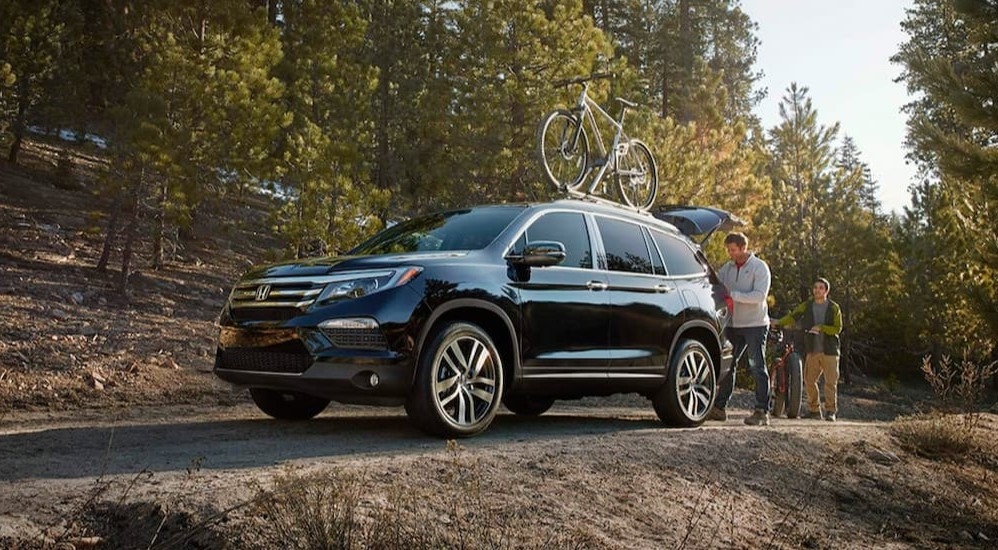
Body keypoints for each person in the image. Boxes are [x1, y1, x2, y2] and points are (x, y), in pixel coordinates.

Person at [708, 232, 773, 426]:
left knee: (756, 365)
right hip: (733, 324)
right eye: (728, 250)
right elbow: (716, 287)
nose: (730, 253)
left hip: (755, 324)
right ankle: (719, 408)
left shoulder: (759, 268)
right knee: (728, 365)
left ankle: (762, 411)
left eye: (733, 250)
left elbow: (759, 296)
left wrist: (732, 295)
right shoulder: (726, 269)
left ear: (743, 248)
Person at [771, 277, 843, 421]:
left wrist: (822, 328)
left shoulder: (834, 307)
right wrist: (778, 322)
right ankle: (814, 410)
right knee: (809, 380)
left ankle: (830, 411)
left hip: (830, 351)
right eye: (815, 287)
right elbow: (793, 316)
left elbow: (838, 328)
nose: (817, 290)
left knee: (830, 382)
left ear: (826, 291)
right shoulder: (807, 306)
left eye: (821, 288)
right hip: (813, 350)